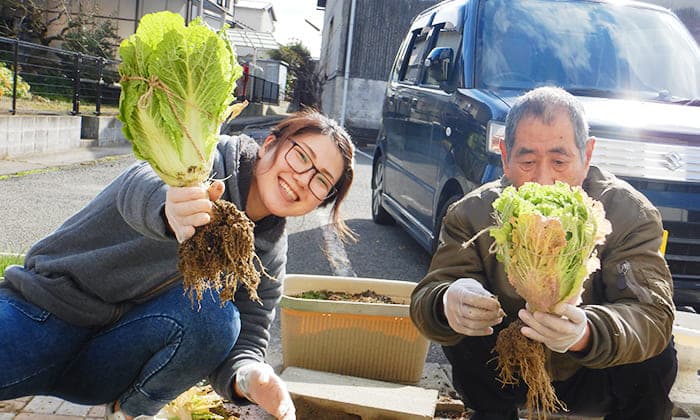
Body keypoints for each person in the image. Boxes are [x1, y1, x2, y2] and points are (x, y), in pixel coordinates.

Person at [0, 110, 355, 420]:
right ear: (270, 144)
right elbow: (138, 184)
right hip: (42, 315)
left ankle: (130, 411)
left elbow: (250, 333)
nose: (302, 179)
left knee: (219, 317)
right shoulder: (203, 161)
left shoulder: (269, 250)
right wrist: (170, 209)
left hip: (108, 361)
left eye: (321, 180)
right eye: (300, 157)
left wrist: (251, 375)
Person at [410, 87, 677, 420]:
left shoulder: (628, 213)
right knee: (462, 323)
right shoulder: (471, 215)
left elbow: (652, 314)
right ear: (505, 157)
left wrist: (588, 333)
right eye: (527, 161)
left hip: (593, 376)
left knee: (656, 351)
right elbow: (427, 298)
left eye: (560, 161)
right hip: (509, 371)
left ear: (587, 154)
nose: (544, 180)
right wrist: (445, 301)